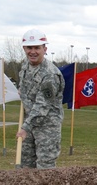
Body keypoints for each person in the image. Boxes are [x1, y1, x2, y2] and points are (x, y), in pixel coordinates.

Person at [15, 29, 65, 169]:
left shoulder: (50, 74)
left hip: (47, 126)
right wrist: (22, 91)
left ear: (45, 49)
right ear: (24, 48)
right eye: (29, 48)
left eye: (37, 47)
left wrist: (25, 128)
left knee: (45, 168)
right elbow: (24, 85)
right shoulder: (25, 65)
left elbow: (43, 106)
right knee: (25, 165)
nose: (33, 52)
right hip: (29, 121)